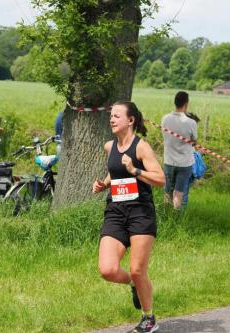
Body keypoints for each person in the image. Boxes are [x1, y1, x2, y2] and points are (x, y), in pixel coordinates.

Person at [93, 101, 165, 333]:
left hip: (140, 213)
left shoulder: (141, 148)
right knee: (107, 269)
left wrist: (135, 170)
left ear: (130, 120)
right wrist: (103, 184)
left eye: (116, 116)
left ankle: (148, 318)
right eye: (111, 116)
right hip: (115, 211)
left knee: (137, 268)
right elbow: (115, 171)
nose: (112, 120)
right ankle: (135, 284)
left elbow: (160, 179)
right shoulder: (109, 146)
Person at [162, 91, 198, 209]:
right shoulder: (191, 122)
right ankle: (176, 215)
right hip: (185, 163)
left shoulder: (165, 119)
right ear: (186, 104)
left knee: (167, 190)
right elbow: (194, 141)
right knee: (179, 192)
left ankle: (165, 213)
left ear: (175, 102)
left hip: (168, 161)